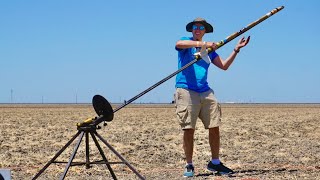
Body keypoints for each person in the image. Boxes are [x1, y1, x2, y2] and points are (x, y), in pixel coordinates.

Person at [174, 17, 250, 177]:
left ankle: (215, 163)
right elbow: (178, 45)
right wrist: (203, 44)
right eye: (195, 26)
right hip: (186, 90)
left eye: (201, 28)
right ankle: (189, 165)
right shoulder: (187, 42)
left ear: (205, 31)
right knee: (189, 129)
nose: (198, 29)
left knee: (214, 126)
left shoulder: (210, 50)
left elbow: (224, 66)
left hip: (205, 91)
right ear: (191, 29)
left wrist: (236, 50)